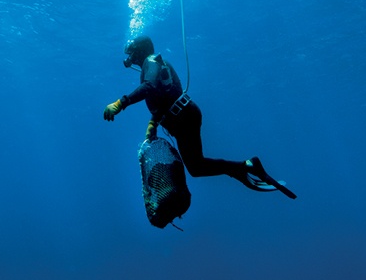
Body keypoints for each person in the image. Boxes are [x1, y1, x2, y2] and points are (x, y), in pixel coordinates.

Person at [103, 35, 295, 196]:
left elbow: (150, 87)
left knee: (196, 167)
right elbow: (164, 93)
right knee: (197, 167)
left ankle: (244, 167)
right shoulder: (156, 63)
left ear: (140, 50)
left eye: (132, 53)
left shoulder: (150, 61)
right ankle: (243, 168)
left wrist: (121, 103)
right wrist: (153, 123)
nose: (130, 58)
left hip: (183, 117)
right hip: (184, 116)